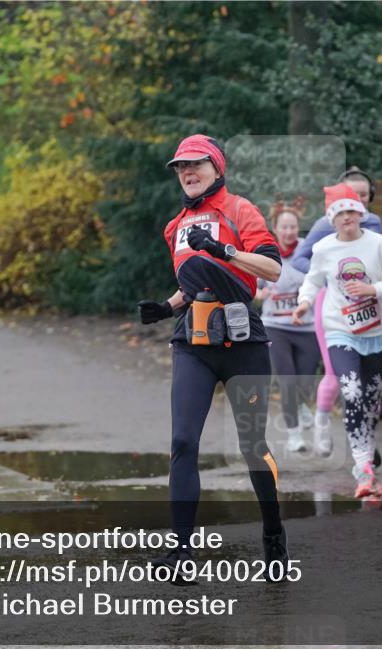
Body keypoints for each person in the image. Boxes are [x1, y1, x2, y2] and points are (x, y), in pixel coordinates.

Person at [137, 134, 288, 576]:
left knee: (252, 448)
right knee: (183, 442)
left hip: (243, 341)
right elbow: (193, 284)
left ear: (216, 168)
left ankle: (274, 532)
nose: (187, 172)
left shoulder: (240, 209)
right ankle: (182, 552)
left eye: (196, 164)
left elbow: (272, 269)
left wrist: (223, 249)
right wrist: (167, 307)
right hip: (194, 341)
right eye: (180, 167)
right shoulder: (174, 227)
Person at [292, 183, 382, 499]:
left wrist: (374, 291)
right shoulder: (323, 249)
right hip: (339, 331)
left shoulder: (380, 245)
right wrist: (304, 303)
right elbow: (312, 281)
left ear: (361, 212)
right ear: (331, 218)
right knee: (352, 392)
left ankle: (364, 458)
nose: (347, 217)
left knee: (370, 404)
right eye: (340, 212)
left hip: (374, 334)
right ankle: (364, 468)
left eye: (352, 210)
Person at [291, 167, 382, 457]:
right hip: (330, 304)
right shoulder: (323, 224)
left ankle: (367, 440)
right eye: (351, 194)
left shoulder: (375, 224)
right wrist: (330, 276)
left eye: (363, 195)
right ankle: (321, 424)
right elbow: (299, 259)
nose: (357, 201)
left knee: (371, 382)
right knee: (334, 373)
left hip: (368, 307)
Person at [257, 197, 322, 453]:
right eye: (283, 227)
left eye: (293, 227)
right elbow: (254, 285)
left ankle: (303, 404)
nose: (288, 232)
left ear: (298, 228)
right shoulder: (266, 252)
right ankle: (294, 433)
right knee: (287, 380)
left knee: (305, 380)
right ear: (275, 228)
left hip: (307, 326)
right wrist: (258, 294)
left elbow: (319, 279)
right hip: (276, 325)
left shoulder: (308, 250)